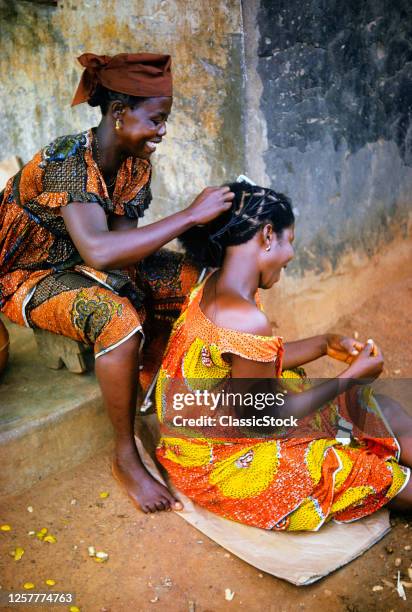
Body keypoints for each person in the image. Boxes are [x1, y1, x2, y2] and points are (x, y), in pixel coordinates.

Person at [0, 52, 234, 513]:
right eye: (157, 119)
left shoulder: (133, 166)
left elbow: (126, 251)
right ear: (119, 113)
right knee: (115, 319)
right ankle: (125, 456)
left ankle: (162, 386)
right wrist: (188, 214)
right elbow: (101, 251)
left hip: (87, 263)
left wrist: (203, 230)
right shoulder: (66, 158)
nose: (162, 131)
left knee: (196, 281)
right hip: (26, 275)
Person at [155, 181, 412, 530]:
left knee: (380, 412)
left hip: (210, 429)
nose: (290, 255)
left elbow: (252, 363)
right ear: (267, 235)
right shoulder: (244, 316)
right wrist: (351, 377)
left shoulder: (219, 284)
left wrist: (323, 342)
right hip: (221, 463)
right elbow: (268, 417)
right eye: (290, 241)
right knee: (368, 472)